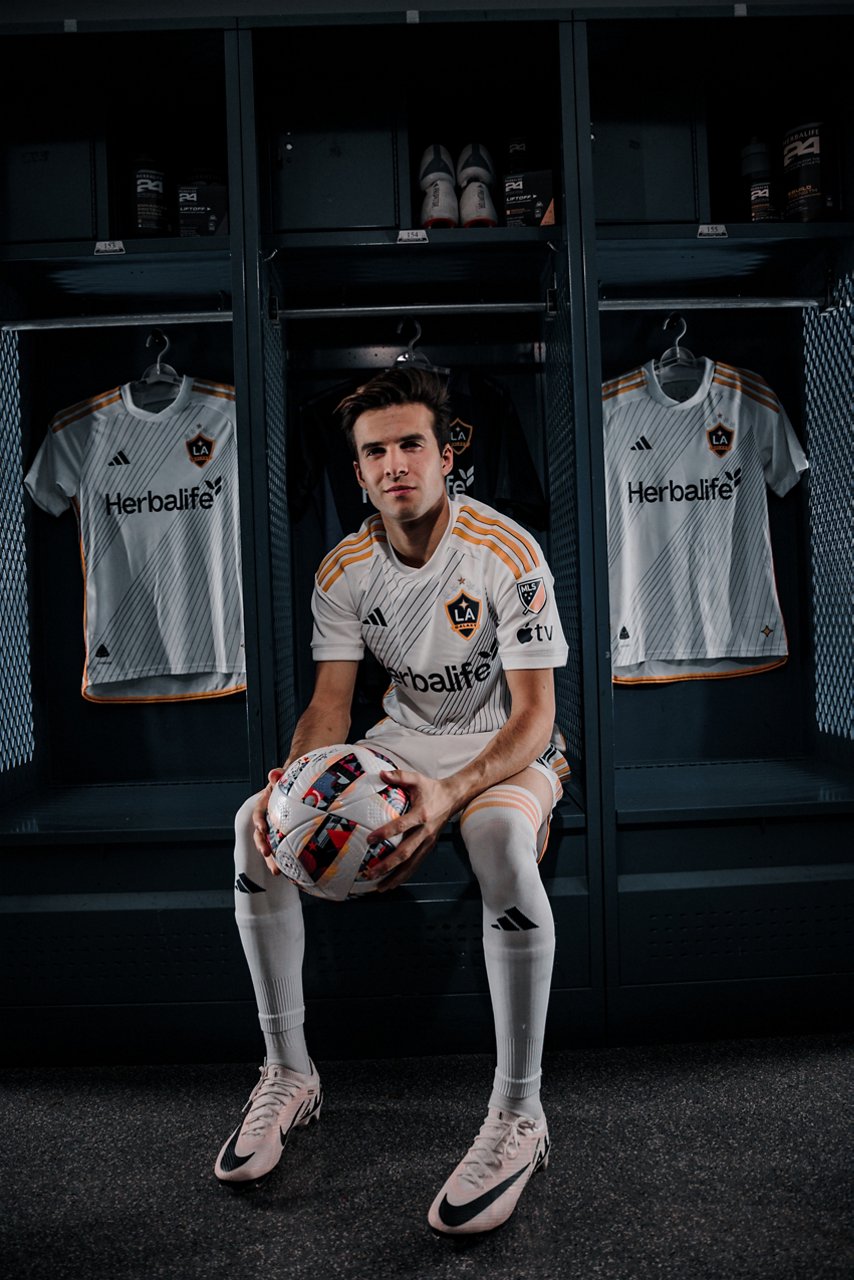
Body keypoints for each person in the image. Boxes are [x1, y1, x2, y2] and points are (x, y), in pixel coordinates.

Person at [214, 366, 569, 1235]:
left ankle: (520, 1113)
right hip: (405, 739)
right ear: (359, 470)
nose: (394, 464)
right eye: (376, 452)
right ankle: (288, 1073)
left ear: (447, 456)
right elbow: (331, 706)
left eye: (412, 444)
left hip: (504, 744)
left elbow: (535, 718)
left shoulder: (505, 551)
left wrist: (450, 794)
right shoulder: (345, 568)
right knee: (253, 827)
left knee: (498, 840)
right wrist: (295, 781)